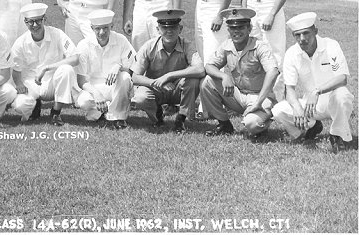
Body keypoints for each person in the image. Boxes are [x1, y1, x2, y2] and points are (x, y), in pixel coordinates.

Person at [272, 12, 355, 152]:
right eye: (297, 35)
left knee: (343, 96)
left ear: (315, 31)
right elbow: (290, 89)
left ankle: (338, 135)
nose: (302, 39)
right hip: (311, 107)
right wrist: (297, 108)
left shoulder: (331, 45)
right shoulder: (292, 53)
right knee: (278, 110)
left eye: (306, 33)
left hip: (332, 100)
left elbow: (342, 78)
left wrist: (317, 91)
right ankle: (306, 130)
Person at [201, 8, 279, 139]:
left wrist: (258, 103)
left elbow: (273, 71)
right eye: (232, 28)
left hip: (260, 96)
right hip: (239, 95)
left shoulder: (260, 46)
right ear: (228, 30)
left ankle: (261, 125)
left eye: (241, 27)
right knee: (207, 82)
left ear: (249, 29)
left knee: (252, 124)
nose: (236, 31)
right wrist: (224, 76)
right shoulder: (227, 45)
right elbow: (209, 66)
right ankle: (224, 125)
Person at [131, 10, 205, 133]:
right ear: (158, 29)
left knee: (193, 80)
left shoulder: (187, 45)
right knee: (140, 98)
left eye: (173, 27)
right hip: (156, 88)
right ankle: (157, 117)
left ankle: (181, 119)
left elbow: (200, 69)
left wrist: (169, 76)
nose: (169, 31)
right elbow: (135, 77)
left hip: (177, 89)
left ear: (180, 29)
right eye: (164, 27)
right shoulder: (149, 46)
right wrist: (157, 82)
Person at [11, 3, 79, 126]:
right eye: (30, 22)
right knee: (20, 106)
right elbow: (16, 70)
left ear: (44, 19)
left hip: (53, 82)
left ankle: (56, 112)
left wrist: (47, 67)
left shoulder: (57, 34)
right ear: (25, 22)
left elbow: (75, 58)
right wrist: (19, 84)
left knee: (67, 69)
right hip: (31, 84)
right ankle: (34, 107)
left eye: (38, 21)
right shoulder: (20, 42)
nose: (35, 25)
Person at [75, 9, 135, 129]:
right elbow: (81, 80)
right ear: (92, 28)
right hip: (94, 87)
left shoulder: (121, 40)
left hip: (115, 87)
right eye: (97, 28)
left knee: (125, 77)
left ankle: (119, 117)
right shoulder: (84, 45)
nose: (102, 32)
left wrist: (119, 67)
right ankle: (102, 111)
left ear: (111, 26)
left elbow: (133, 68)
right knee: (83, 101)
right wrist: (96, 94)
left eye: (105, 28)